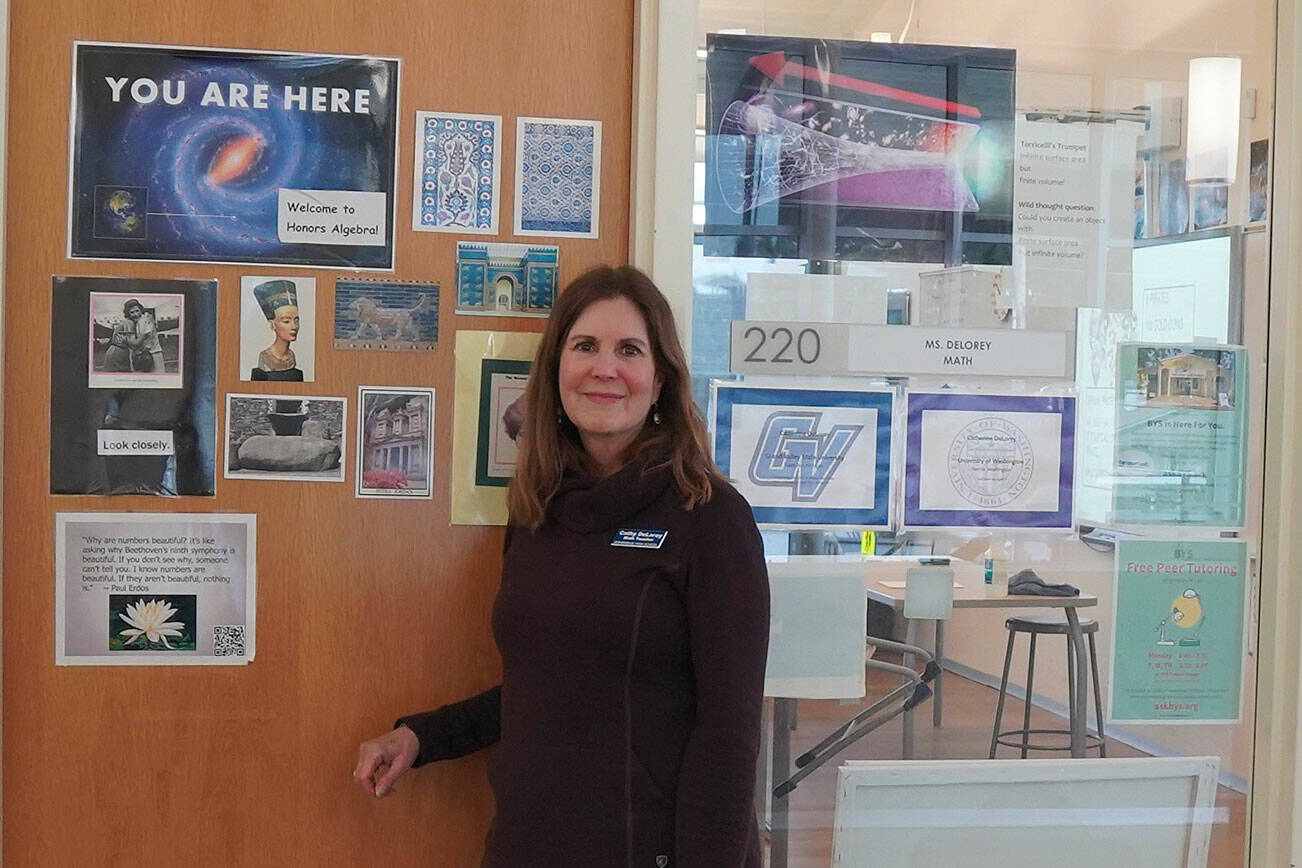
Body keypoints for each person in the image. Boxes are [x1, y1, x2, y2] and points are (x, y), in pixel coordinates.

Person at [354, 265, 770, 867]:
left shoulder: (710, 518)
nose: (605, 368)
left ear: (660, 383)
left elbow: (731, 734)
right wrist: (421, 736)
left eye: (629, 349)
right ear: (556, 372)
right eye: (585, 347)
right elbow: (547, 686)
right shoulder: (536, 511)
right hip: (527, 847)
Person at [250, 279, 303, 381]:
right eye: (286, 321)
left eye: (296, 320)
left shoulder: (291, 357)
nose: (294, 326)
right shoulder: (266, 357)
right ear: (272, 325)